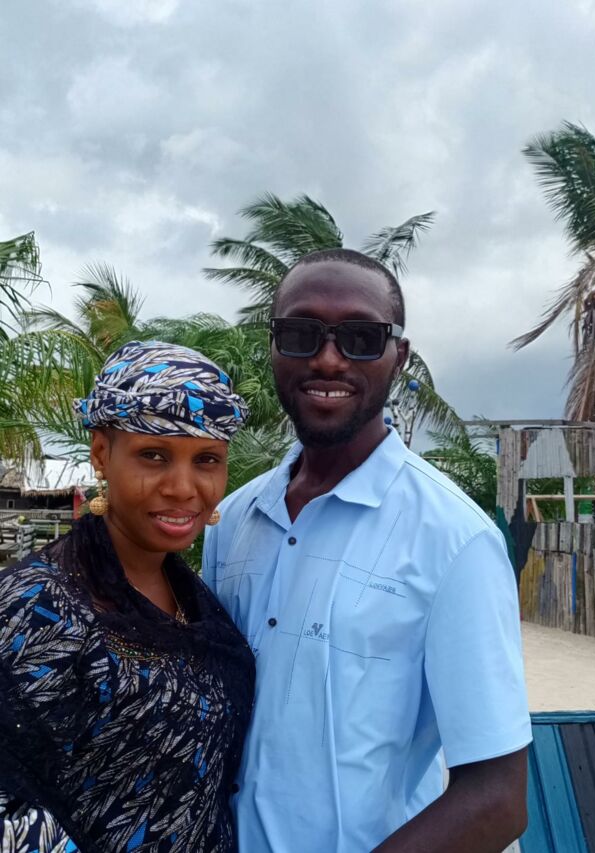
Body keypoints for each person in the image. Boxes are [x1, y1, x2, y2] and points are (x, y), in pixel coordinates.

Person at [203, 249, 532, 853]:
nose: (328, 358)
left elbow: (496, 799)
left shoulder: (454, 539)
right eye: (301, 333)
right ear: (274, 346)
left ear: (398, 356)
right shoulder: (233, 519)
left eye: (361, 337)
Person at [0, 340, 255, 852]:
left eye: (207, 459)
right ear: (101, 454)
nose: (183, 487)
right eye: (153, 456)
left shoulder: (195, 598)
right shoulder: (37, 606)